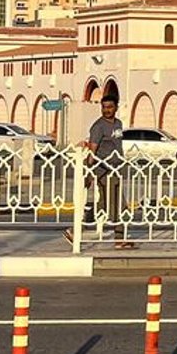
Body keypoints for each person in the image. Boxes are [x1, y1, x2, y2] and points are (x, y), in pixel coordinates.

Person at [70, 94, 133, 250]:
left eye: (110, 107)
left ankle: (75, 230)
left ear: (116, 108)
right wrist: (89, 172)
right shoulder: (98, 126)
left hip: (116, 169)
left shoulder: (118, 124)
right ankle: (119, 238)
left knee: (103, 206)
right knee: (119, 205)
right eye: (104, 107)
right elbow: (92, 149)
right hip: (104, 170)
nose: (107, 110)